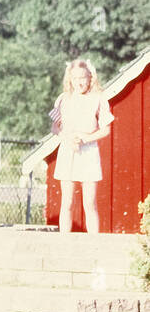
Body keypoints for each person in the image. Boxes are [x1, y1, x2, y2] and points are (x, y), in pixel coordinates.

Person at [51, 59, 113, 234]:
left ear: (90, 78)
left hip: (88, 153)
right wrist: (67, 138)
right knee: (67, 202)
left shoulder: (98, 99)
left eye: (83, 78)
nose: (79, 82)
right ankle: (64, 242)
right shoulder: (63, 99)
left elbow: (106, 130)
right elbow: (55, 128)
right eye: (75, 78)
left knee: (89, 202)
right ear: (69, 79)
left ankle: (94, 244)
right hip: (67, 151)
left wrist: (86, 138)